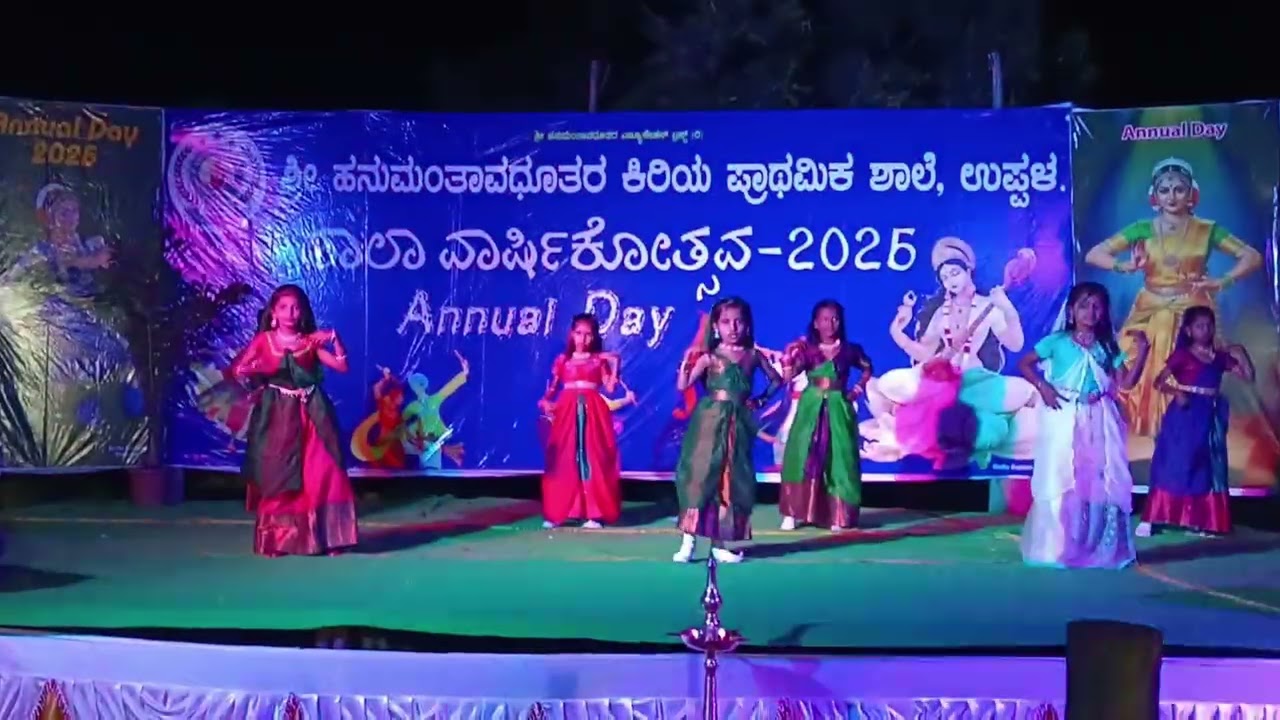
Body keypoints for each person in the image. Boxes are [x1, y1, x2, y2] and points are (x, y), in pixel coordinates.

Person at [1083, 157, 1262, 438]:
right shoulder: (1142, 228)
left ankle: (1188, 425)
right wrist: (1125, 266)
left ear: (1193, 194)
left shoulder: (1207, 229)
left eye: (1179, 189)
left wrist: (1222, 281)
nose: (1172, 196)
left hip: (1193, 306)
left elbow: (1252, 257)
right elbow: (1094, 254)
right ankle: (1153, 429)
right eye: (1164, 190)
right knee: (1132, 356)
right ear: (1154, 196)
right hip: (1150, 305)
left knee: (1197, 358)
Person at [1019, 282, 1151, 569]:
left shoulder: (1106, 346)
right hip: (1064, 416)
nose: (1090, 312)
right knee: (1063, 477)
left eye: (1096, 306)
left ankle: (1097, 547)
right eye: (1084, 306)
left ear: (1103, 312)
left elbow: (1125, 384)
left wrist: (1143, 353)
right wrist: (1043, 387)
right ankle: (1055, 547)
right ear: (1071, 310)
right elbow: (1025, 364)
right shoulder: (1057, 342)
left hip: (1099, 419)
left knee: (1098, 479)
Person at [230, 284, 359, 557]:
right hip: (278, 413)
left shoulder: (309, 341)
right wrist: (259, 368)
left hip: (313, 412)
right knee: (280, 474)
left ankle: (331, 538)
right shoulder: (264, 341)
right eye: (284, 307)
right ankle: (277, 539)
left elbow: (341, 366)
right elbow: (240, 368)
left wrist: (335, 339)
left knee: (324, 472)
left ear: (302, 313)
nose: (291, 312)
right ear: (274, 312)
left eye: (296, 307)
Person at [673, 297, 783, 563]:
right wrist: (687, 364)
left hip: (738, 422)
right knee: (700, 475)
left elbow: (777, 380)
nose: (732, 327)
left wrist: (760, 400)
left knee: (730, 480)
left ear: (747, 325)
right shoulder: (710, 357)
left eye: (739, 321)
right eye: (725, 322)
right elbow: (683, 385)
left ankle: (720, 542)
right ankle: (688, 539)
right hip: (709, 420)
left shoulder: (752, 355)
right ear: (715, 326)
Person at [1138, 306, 1255, 537]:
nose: (1206, 329)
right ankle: (1153, 517)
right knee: (1175, 463)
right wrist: (1177, 392)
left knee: (1207, 467)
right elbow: (1159, 382)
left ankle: (1201, 520)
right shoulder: (1183, 354)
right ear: (1189, 331)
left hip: (1209, 415)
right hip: (1185, 414)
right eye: (1200, 325)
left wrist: (1241, 353)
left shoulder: (1220, 357)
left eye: (1209, 324)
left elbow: (1249, 377)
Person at [778, 300, 871, 531]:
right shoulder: (807, 350)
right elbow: (789, 376)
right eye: (825, 319)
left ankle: (837, 514)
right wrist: (788, 357)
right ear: (816, 323)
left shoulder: (850, 350)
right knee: (801, 454)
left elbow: (868, 368)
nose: (830, 323)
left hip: (839, 406)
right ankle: (792, 512)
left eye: (835, 318)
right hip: (811, 407)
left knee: (840, 458)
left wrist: (857, 389)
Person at [538, 313, 629, 529]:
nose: (583, 339)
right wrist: (545, 401)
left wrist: (615, 364)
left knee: (592, 459)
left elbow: (609, 388)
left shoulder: (598, 360)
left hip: (593, 411)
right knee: (565, 458)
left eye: (588, 335)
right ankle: (562, 511)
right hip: (567, 411)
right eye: (579, 333)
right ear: (571, 334)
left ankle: (593, 513)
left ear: (594, 337)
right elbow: (552, 389)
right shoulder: (563, 360)